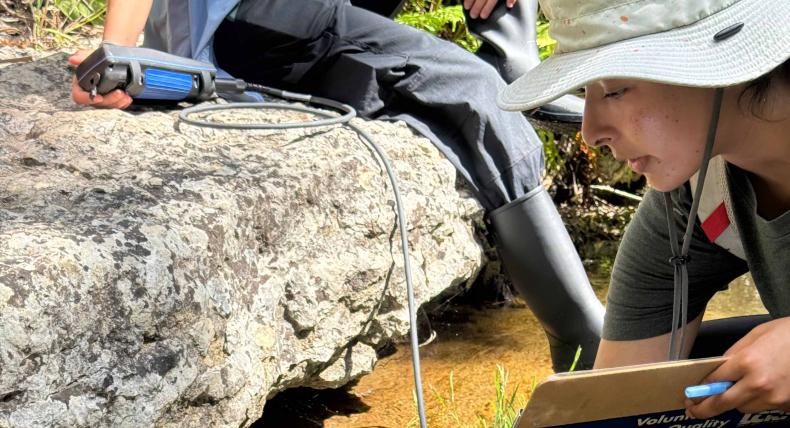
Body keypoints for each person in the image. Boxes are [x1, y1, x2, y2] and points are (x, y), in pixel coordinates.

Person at [69, 0, 604, 372]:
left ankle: (515, 59)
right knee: (473, 89)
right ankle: (581, 340)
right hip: (248, 24)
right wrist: (117, 54)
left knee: (475, 84)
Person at [497, 0, 790, 418]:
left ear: (716, 61)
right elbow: (613, 405)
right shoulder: (699, 200)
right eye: (586, 93)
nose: (591, 132)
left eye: (614, 90)